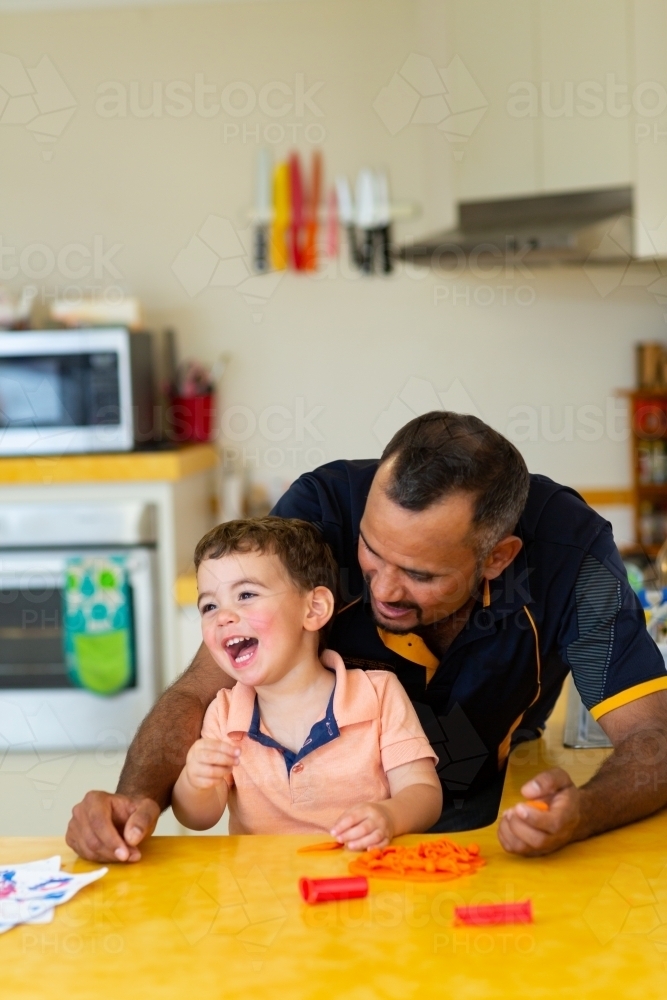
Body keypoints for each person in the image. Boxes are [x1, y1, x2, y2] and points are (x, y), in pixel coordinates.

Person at [66, 411, 667, 863]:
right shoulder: (319, 517)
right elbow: (202, 690)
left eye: (421, 574)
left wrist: (583, 813)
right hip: (319, 853)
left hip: (485, 804)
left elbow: (654, 738)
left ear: (497, 557)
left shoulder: (570, 558)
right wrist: (136, 799)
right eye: (372, 554)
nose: (384, 590)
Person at [171, 517, 442, 845]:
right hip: (260, 891)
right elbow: (200, 818)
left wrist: (390, 816)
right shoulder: (224, 714)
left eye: (245, 595)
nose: (223, 616)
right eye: (209, 606)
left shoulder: (379, 693)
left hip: (366, 883)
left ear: (314, 609)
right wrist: (194, 781)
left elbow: (424, 793)